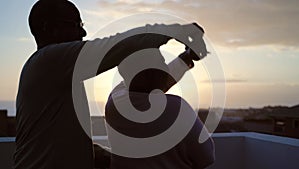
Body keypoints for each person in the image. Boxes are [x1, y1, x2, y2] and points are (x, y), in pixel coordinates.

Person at [13, 0, 207, 168]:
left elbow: (148, 86)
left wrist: (186, 59)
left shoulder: (55, 73)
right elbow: (120, 46)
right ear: (49, 28)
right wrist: (175, 31)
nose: (83, 31)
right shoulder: (49, 61)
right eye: (75, 24)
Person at [105, 48, 215, 169]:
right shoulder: (177, 108)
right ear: (152, 74)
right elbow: (207, 157)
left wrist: (186, 58)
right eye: (161, 63)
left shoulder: (115, 103)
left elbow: (143, 83)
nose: (165, 69)